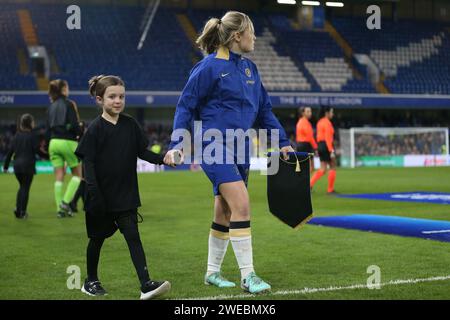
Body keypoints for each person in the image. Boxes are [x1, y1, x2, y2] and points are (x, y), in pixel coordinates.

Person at [164, 11, 294, 294]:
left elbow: (264, 111)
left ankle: (212, 273)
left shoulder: (251, 70)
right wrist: (176, 145)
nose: (255, 37)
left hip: (241, 148)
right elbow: (185, 106)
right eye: (252, 32)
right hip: (213, 147)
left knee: (224, 211)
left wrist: (282, 141)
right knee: (242, 204)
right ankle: (249, 277)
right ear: (237, 36)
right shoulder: (208, 67)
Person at [75, 75, 171, 300]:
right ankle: (90, 280)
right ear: (100, 99)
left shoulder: (130, 124)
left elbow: (142, 152)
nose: (118, 101)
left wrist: (163, 158)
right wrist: (94, 193)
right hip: (100, 198)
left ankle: (146, 284)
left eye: (121, 96)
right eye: (112, 97)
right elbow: (87, 163)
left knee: (133, 237)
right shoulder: (95, 129)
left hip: (125, 196)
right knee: (97, 240)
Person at [46, 79, 82, 218]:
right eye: (67, 87)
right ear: (63, 89)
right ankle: (65, 203)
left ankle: (60, 210)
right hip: (68, 142)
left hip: (53, 143)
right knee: (78, 175)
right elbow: (74, 125)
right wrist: (80, 131)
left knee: (59, 177)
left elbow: (47, 129)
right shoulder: (69, 104)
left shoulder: (50, 107)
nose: (68, 89)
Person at [3, 114, 47, 218]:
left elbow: (10, 152)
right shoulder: (33, 136)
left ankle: (18, 209)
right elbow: (37, 151)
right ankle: (22, 212)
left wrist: (5, 167)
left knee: (22, 187)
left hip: (17, 166)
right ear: (31, 123)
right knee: (25, 188)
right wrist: (48, 156)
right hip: (28, 166)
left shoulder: (17, 135)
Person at [310, 106, 337, 194]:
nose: (333, 114)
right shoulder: (327, 123)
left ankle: (309, 185)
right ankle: (330, 189)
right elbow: (328, 138)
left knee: (323, 168)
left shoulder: (319, 122)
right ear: (327, 113)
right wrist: (331, 151)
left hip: (320, 145)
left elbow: (318, 136)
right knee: (332, 166)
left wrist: (318, 148)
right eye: (332, 112)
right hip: (326, 146)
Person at [296, 106, 317, 174]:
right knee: (309, 167)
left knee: (303, 166)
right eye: (308, 111)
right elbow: (310, 136)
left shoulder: (300, 121)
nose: (310, 113)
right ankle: (307, 182)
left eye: (310, 111)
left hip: (300, 144)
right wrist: (315, 147)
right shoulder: (305, 122)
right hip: (305, 145)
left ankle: (304, 181)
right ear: (303, 113)